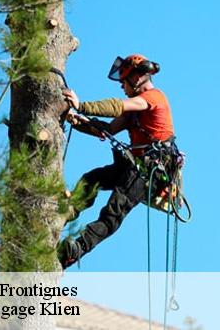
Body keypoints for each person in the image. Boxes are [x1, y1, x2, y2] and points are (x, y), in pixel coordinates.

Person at [59, 54, 175, 269]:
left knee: (114, 211)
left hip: (149, 171)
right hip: (135, 166)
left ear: (138, 78)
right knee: (92, 179)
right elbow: (108, 129)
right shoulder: (135, 111)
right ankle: (67, 211)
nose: (122, 86)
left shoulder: (153, 97)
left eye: (124, 81)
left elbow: (116, 106)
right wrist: (78, 122)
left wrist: (82, 105)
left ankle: (77, 250)